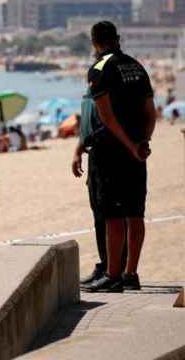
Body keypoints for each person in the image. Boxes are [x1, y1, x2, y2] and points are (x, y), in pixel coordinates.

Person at [82, 21, 157, 293]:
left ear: (95, 44)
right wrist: (142, 143)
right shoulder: (137, 66)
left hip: (112, 151)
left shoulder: (99, 69)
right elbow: (151, 112)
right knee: (135, 213)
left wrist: (128, 144)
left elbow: (107, 118)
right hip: (137, 151)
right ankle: (131, 273)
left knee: (112, 215)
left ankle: (113, 275)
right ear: (118, 38)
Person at [73, 92, 127, 286]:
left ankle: (115, 270)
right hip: (94, 154)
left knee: (111, 214)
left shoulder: (109, 85)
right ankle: (106, 265)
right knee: (98, 214)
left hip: (110, 153)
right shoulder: (91, 89)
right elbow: (87, 126)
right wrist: (78, 151)